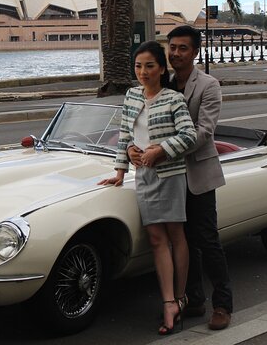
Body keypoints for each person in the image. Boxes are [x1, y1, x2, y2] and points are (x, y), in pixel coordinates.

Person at [128, 26, 233, 330]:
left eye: (183, 48)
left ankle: (223, 304)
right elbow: (140, 126)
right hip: (166, 176)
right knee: (183, 241)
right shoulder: (163, 83)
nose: (175, 53)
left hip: (197, 171)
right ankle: (193, 299)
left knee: (207, 239)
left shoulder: (208, 85)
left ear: (195, 52)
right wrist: (132, 150)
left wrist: (163, 150)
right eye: (172, 47)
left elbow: (204, 131)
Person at [98, 40, 197, 335]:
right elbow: (124, 134)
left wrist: (161, 150)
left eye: (149, 66)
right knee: (156, 238)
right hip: (143, 176)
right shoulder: (131, 96)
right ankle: (169, 301)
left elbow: (189, 135)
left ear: (161, 69)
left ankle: (179, 298)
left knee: (176, 234)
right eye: (138, 66)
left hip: (170, 175)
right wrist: (121, 167)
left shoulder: (173, 99)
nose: (143, 72)